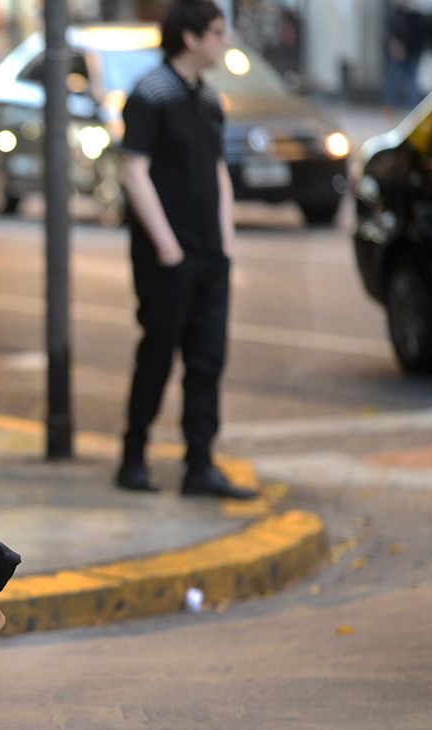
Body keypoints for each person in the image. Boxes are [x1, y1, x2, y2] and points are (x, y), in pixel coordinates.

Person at [114, 0, 256, 500]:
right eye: (218, 32)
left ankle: (201, 464)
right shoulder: (151, 94)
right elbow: (134, 171)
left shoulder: (209, 99)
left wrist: (225, 237)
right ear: (191, 38)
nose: (225, 41)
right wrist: (168, 245)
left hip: (209, 253)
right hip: (166, 257)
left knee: (207, 359)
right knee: (157, 355)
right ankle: (133, 457)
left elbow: (216, 170)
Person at [384, 0, 426, 115]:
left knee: (411, 82)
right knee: (393, 81)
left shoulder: (416, 16)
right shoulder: (396, 14)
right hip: (397, 52)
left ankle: (414, 109)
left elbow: (419, 36)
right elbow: (390, 33)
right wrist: (396, 47)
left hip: (411, 53)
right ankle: (390, 107)